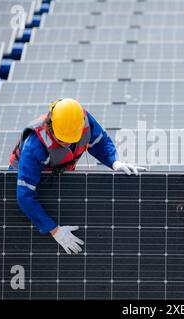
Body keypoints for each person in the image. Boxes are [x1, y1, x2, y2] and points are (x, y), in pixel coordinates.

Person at [9, 98, 145, 254]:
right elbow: (25, 196)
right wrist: (54, 230)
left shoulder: (81, 120)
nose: (68, 144)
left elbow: (100, 143)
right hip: (29, 177)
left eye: (72, 140)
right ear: (51, 127)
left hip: (60, 172)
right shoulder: (34, 145)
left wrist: (115, 163)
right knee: (31, 231)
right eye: (62, 141)